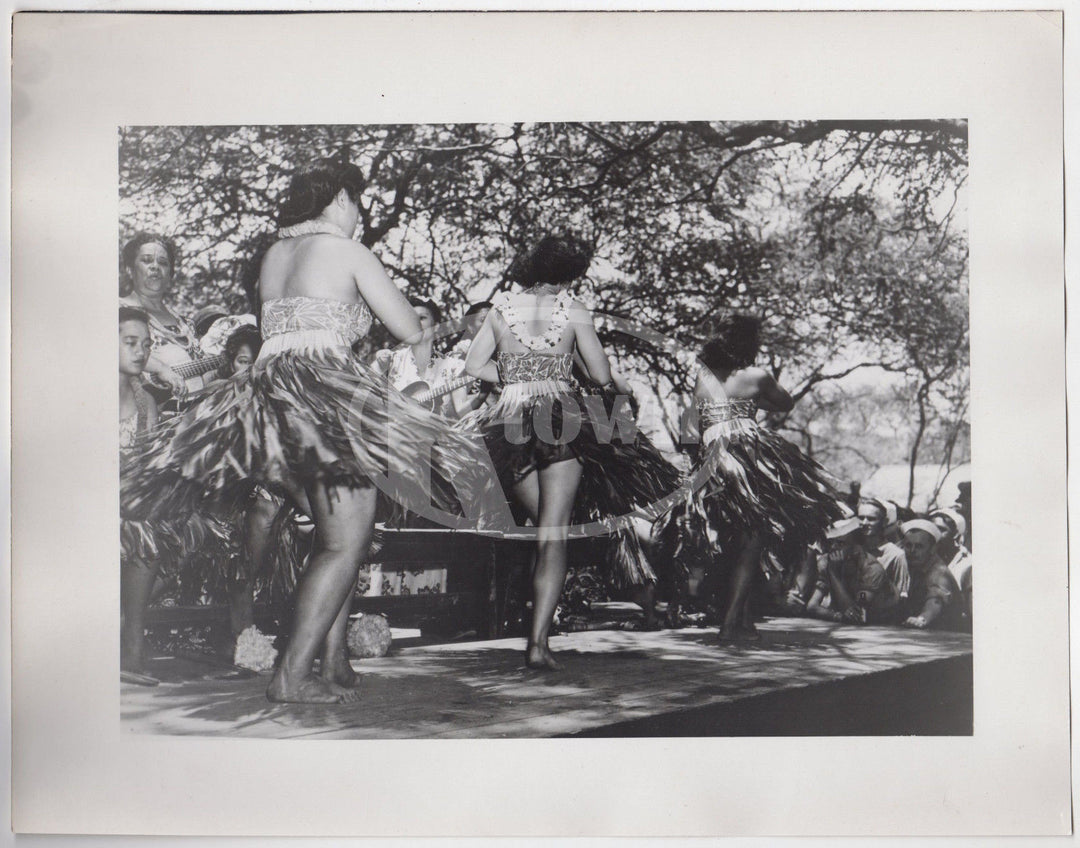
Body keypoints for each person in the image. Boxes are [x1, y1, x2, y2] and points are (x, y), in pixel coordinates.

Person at [122, 158, 490, 703]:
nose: (360, 214)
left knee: (334, 534)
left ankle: (335, 661)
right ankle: (291, 676)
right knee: (347, 539)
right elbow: (409, 326)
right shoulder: (347, 251)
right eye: (358, 202)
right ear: (341, 197)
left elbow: (280, 329)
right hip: (322, 398)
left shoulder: (273, 255)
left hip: (265, 405)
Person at [464, 233, 681, 670]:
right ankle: (538, 643)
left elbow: (473, 366)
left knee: (542, 528)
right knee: (554, 534)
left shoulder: (501, 307)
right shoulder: (574, 309)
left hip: (510, 422)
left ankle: (537, 635)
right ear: (571, 273)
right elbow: (600, 374)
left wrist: (515, 374)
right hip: (561, 418)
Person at [654, 314, 843, 643]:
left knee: (734, 542)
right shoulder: (758, 375)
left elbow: (690, 426)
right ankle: (729, 624)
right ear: (751, 344)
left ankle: (741, 619)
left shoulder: (705, 376)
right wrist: (754, 403)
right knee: (751, 543)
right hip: (747, 455)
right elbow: (786, 403)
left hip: (713, 459)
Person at [119, 307, 161, 679]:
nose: (140, 351)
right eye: (130, 342)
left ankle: (132, 643)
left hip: (129, 505)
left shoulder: (147, 402)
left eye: (146, 345)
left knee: (149, 529)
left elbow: (151, 468)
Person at [119, 232, 205, 400]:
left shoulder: (185, 324)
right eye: (146, 260)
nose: (155, 266)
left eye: (163, 263)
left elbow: (201, 376)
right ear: (130, 270)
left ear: (170, 275)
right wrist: (160, 369)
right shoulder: (117, 308)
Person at [807, 517, 899, 624]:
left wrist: (833, 574)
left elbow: (858, 613)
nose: (833, 547)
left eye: (840, 544)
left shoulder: (872, 570)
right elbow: (812, 606)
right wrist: (837, 616)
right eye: (831, 543)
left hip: (883, 625)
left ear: (856, 547)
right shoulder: (829, 562)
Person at [899, 519, 964, 630]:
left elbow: (936, 600)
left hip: (945, 637)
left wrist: (922, 619)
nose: (912, 551)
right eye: (909, 545)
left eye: (919, 546)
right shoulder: (913, 566)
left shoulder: (938, 573)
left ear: (933, 549)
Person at [857, 498, 910, 602]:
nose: (864, 522)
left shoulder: (896, 555)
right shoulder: (853, 548)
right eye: (861, 518)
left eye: (871, 519)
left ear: (884, 522)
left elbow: (901, 596)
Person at [930, 507, 972, 626]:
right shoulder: (920, 559)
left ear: (955, 534)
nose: (935, 534)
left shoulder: (968, 563)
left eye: (942, 529)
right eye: (932, 528)